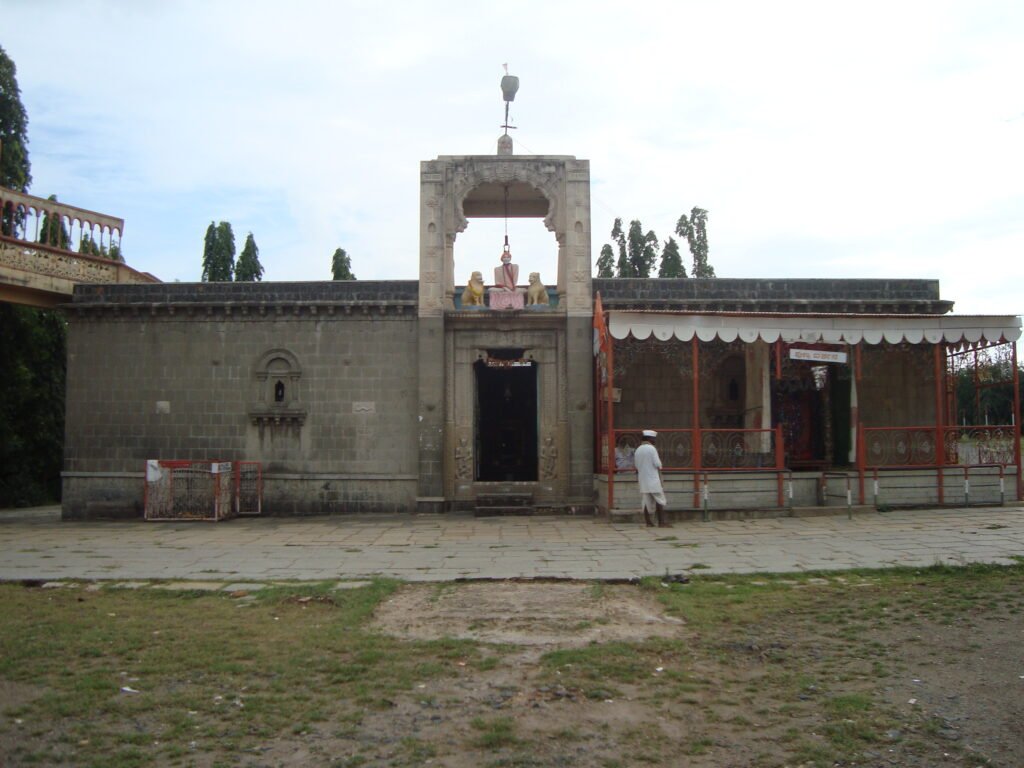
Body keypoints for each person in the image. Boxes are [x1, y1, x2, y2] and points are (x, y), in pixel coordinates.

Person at [634, 429, 670, 527]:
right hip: (653, 479)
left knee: (646, 501)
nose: (654, 441)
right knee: (659, 500)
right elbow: (658, 464)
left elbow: (636, 465)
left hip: (643, 480)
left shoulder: (638, 449)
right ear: (650, 439)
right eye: (653, 439)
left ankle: (648, 522)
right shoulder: (652, 449)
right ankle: (661, 522)